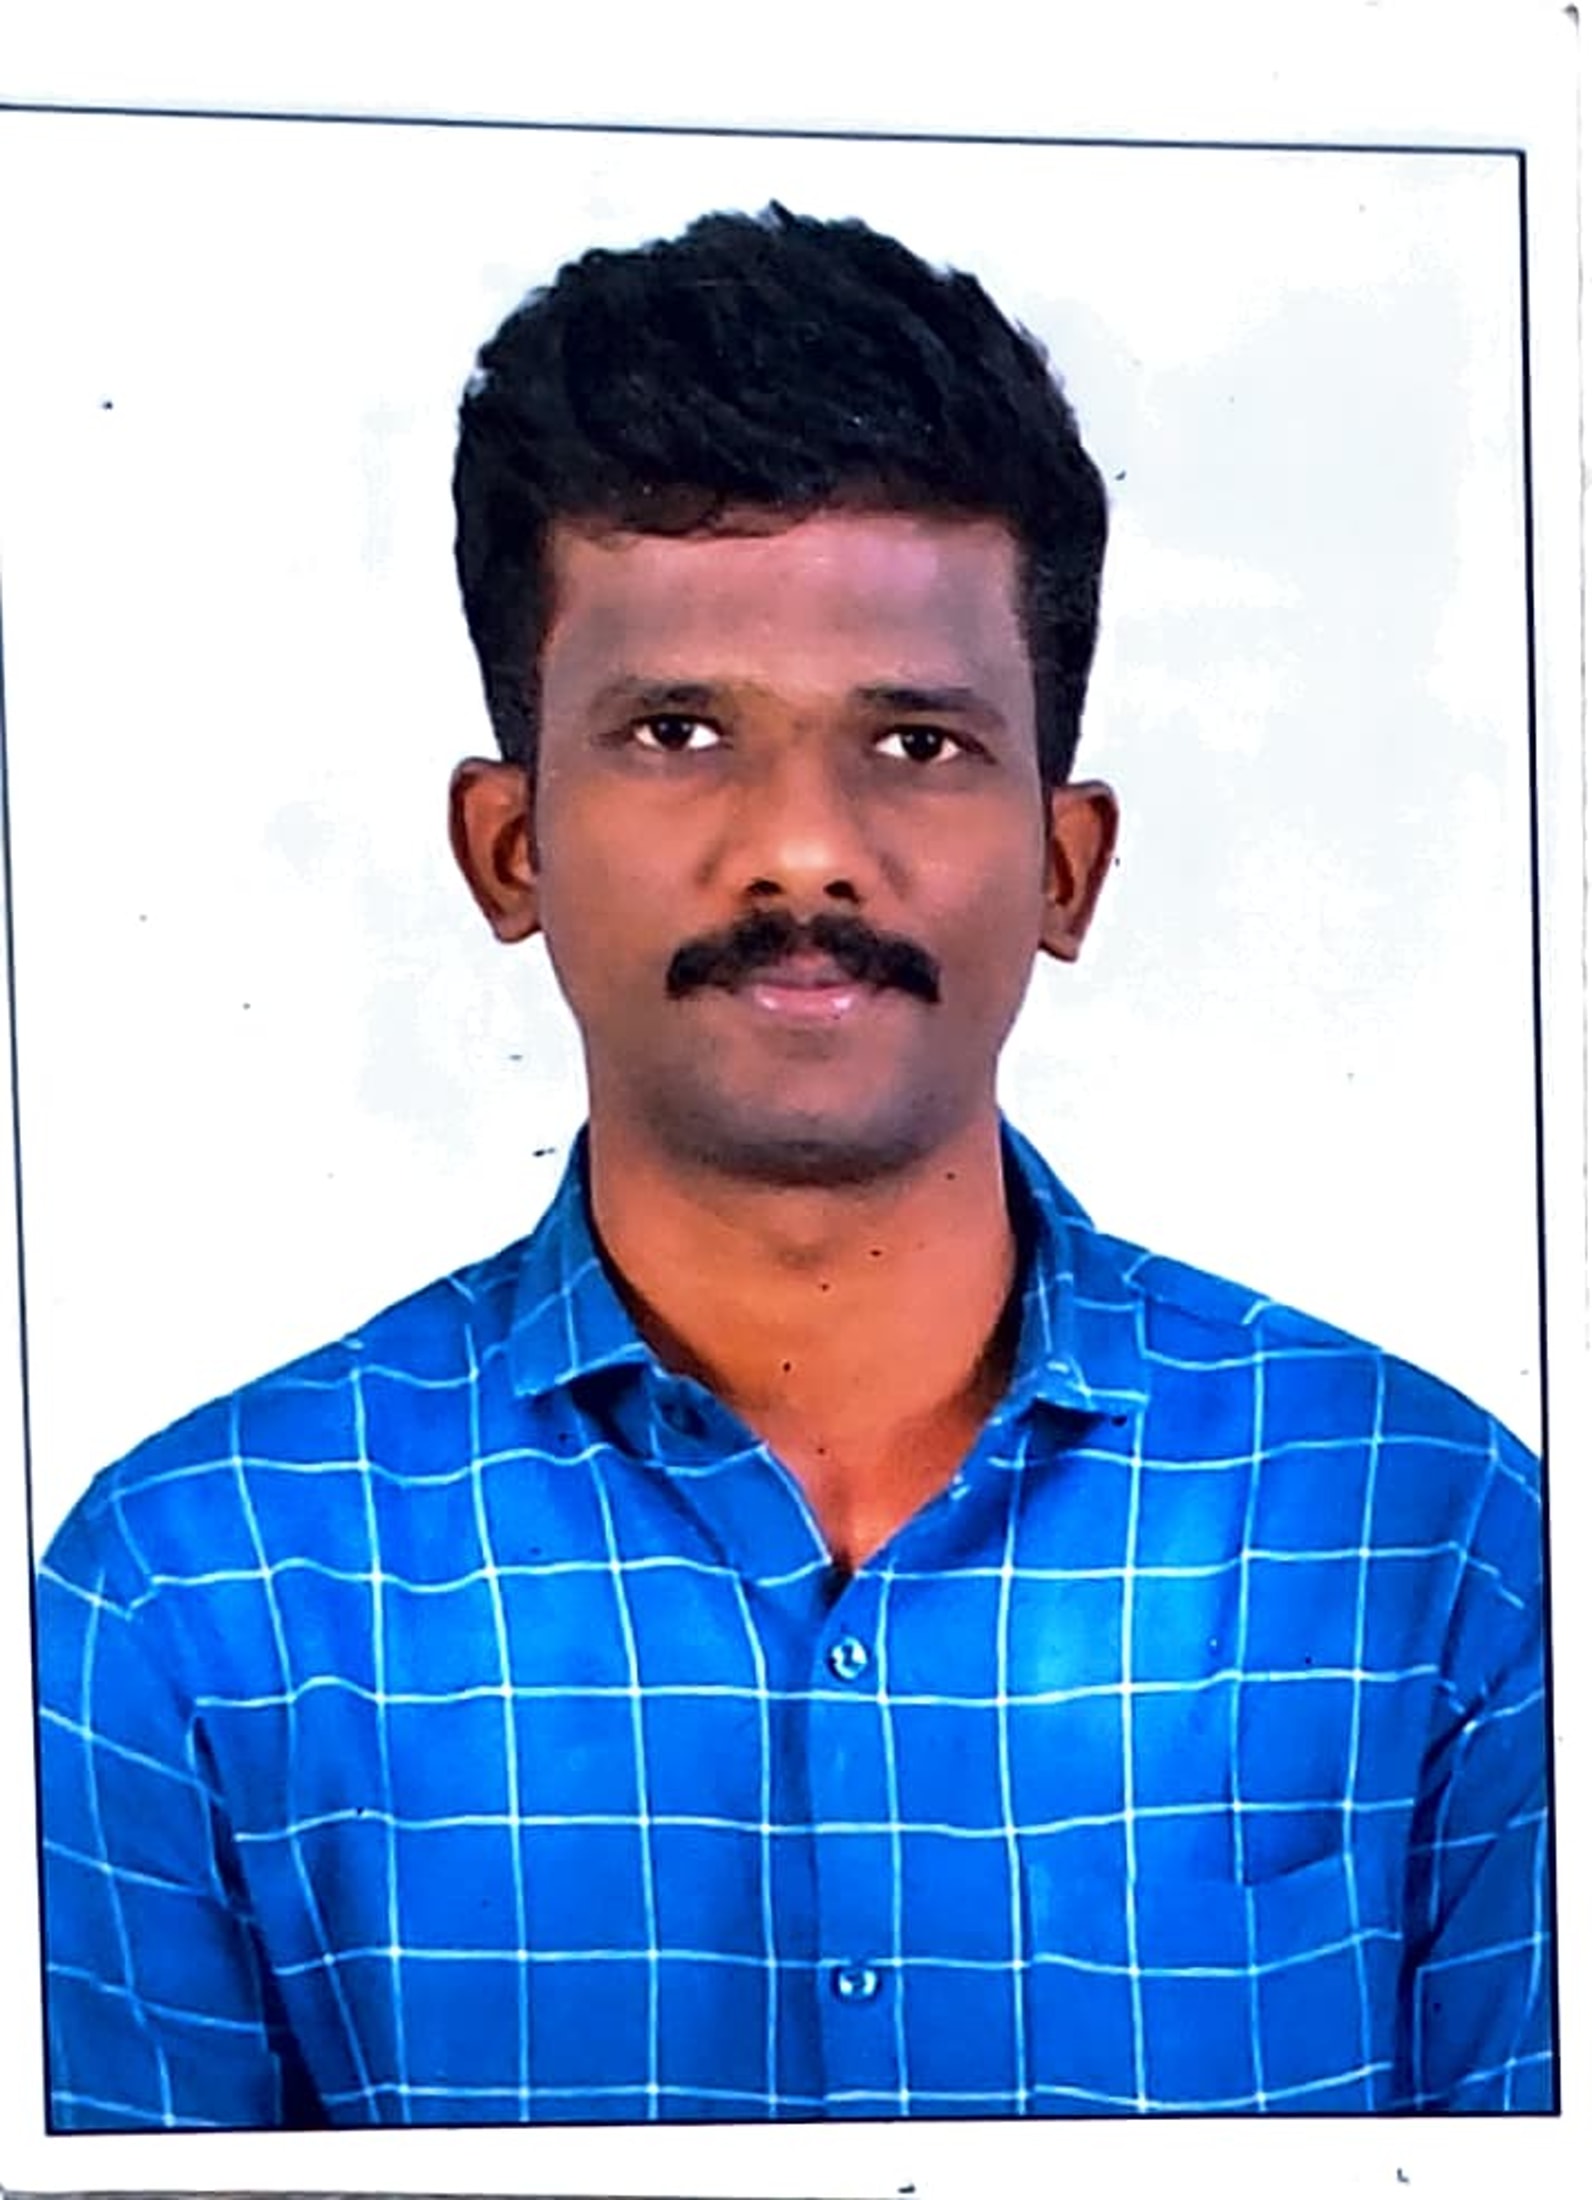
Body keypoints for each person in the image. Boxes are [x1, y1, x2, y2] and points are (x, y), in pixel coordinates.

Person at [35, 205, 1550, 2129]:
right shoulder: (190, 1599)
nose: (806, 851)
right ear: (508, 847)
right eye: (678, 731)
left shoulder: (1432, 1542)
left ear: (1067, 864)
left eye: (916, 744)